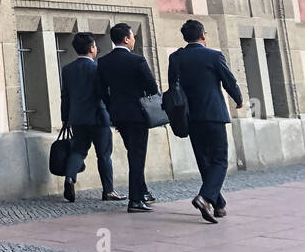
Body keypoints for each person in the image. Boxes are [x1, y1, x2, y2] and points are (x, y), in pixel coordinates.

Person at [168, 19, 243, 223]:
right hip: (213, 114)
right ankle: (204, 198)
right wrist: (238, 99)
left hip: (190, 116)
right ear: (203, 36)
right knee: (219, 160)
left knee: (204, 160)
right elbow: (229, 80)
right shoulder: (213, 55)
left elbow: (172, 87)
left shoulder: (175, 58)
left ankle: (218, 205)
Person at [95, 22, 159, 212]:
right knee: (137, 157)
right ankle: (136, 200)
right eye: (132, 37)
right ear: (126, 39)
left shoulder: (104, 62)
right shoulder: (137, 61)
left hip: (118, 115)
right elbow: (152, 88)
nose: (134, 40)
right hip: (138, 115)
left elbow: (101, 91)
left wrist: (112, 108)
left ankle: (142, 192)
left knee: (133, 153)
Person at [59, 32, 121, 203]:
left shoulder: (67, 69)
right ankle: (108, 191)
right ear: (92, 48)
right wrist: (114, 115)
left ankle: (70, 178)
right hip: (99, 117)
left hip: (77, 118)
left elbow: (65, 96)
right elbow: (106, 94)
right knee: (104, 154)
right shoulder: (98, 68)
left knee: (78, 150)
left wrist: (65, 117)